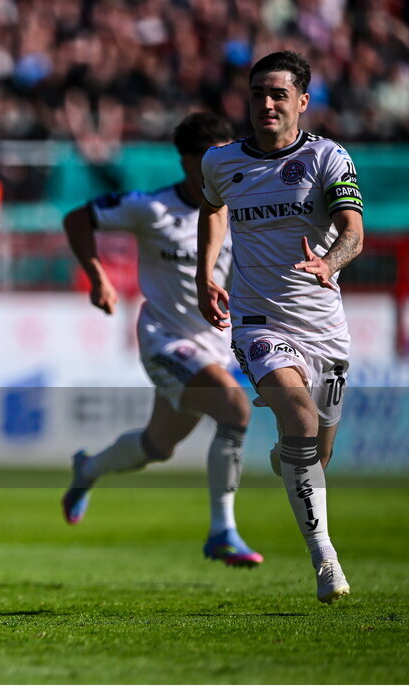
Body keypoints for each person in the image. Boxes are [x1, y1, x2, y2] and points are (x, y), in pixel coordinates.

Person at [198, 51, 363, 603]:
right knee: (298, 417)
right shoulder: (221, 162)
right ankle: (326, 561)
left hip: (325, 327)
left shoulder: (326, 158)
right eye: (257, 94)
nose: (266, 104)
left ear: (302, 101)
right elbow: (212, 207)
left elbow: (353, 232)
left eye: (278, 95)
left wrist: (329, 263)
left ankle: (292, 457)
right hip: (257, 320)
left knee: (316, 452)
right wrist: (205, 275)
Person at [61, 113, 262, 567]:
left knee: (157, 446)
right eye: (213, 158)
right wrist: (97, 278)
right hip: (164, 340)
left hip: (211, 345)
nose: (224, 166)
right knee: (234, 409)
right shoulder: (151, 208)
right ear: (188, 161)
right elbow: (78, 219)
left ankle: (87, 469)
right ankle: (222, 531)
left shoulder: (239, 208)